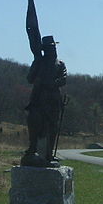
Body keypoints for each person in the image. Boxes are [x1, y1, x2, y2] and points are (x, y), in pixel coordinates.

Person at [23, 35, 67, 166]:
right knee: (34, 123)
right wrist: (38, 79)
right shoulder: (39, 62)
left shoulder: (60, 64)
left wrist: (50, 83)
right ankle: (32, 150)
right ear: (45, 49)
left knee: (52, 127)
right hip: (38, 98)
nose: (53, 50)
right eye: (50, 48)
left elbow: (63, 79)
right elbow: (29, 78)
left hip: (53, 99)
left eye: (54, 47)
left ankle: (49, 154)